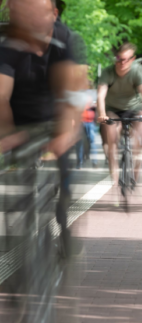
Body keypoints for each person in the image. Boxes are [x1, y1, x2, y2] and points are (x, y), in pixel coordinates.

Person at [0, 0, 88, 254]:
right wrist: (7, 134)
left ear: (53, 14)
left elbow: (71, 92)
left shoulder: (66, 38)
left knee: (63, 177)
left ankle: (64, 223)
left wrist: (66, 133)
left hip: (55, 116)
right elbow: (1, 96)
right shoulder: (8, 44)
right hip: (20, 120)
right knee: (21, 184)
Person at [97, 42, 142, 190]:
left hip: (134, 107)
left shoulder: (138, 71)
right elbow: (101, 95)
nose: (122, 63)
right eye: (119, 59)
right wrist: (102, 114)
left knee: (139, 135)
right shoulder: (108, 72)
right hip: (112, 108)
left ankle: (135, 172)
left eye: (126, 60)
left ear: (132, 59)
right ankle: (115, 179)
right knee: (111, 137)